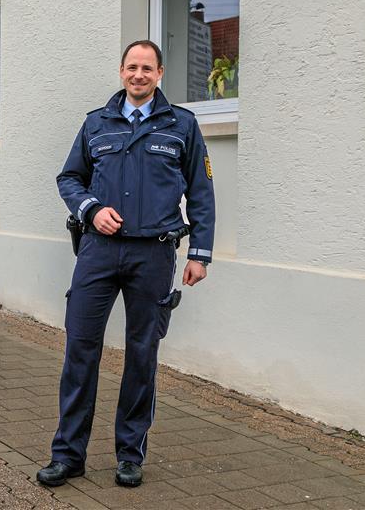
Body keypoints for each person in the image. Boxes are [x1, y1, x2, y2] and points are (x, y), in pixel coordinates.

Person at [37, 39, 215, 489]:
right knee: (80, 350)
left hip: (154, 253)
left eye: (147, 68)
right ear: (121, 72)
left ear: (160, 73)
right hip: (98, 251)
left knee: (142, 355)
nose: (139, 75)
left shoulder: (182, 126)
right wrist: (91, 208)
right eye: (132, 67)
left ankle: (130, 455)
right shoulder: (96, 124)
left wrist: (199, 252)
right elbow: (69, 177)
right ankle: (68, 454)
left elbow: (201, 192)